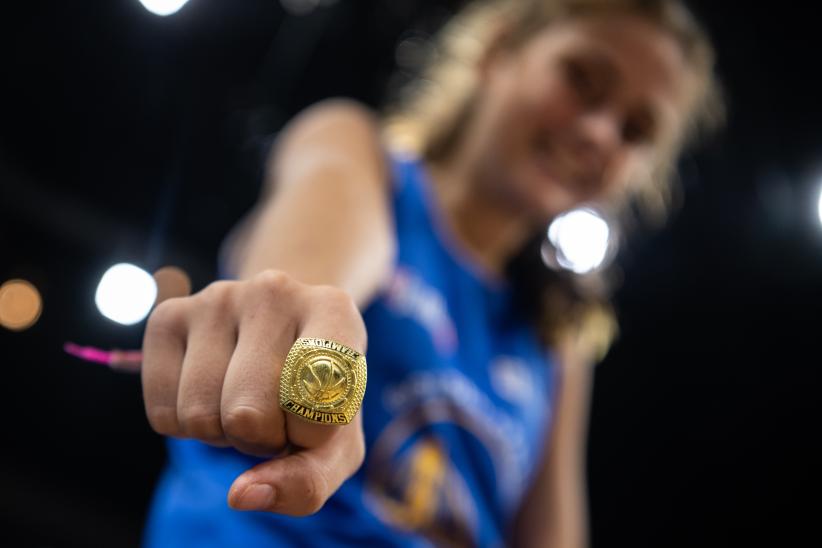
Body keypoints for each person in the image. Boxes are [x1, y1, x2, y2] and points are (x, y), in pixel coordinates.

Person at [140, 0, 723, 546]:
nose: (599, 133)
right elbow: (317, 256)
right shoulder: (365, 158)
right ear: (500, 52)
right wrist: (304, 324)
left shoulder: (556, 341)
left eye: (635, 131)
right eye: (582, 80)